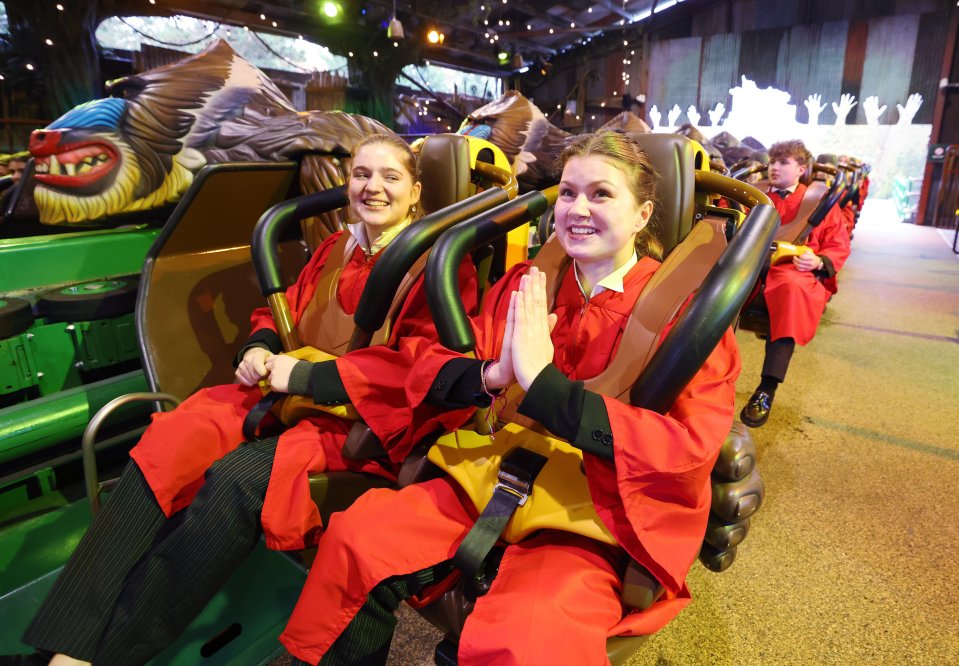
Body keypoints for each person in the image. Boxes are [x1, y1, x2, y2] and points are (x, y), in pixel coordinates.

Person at [5, 133, 478, 666]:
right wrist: (261, 345)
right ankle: (62, 646)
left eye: (390, 177)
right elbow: (282, 313)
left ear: (415, 192)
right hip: (286, 392)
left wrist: (307, 379)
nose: (373, 188)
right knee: (172, 438)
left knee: (238, 478)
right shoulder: (334, 249)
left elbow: (420, 367)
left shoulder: (436, 266)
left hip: (360, 420)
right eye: (361, 175)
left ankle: (105, 656)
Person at [278, 131, 741, 665]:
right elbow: (435, 361)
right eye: (567, 193)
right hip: (490, 475)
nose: (578, 209)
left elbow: (689, 447)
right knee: (356, 539)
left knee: (529, 637)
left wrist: (546, 389)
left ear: (642, 215)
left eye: (601, 194)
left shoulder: (686, 319)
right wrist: (491, 374)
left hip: (597, 509)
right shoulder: (528, 282)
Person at [740, 139, 850, 428]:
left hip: (791, 268)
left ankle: (767, 388)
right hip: (750, 263)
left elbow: (837, 243)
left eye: (783, 162)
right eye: (773, 162)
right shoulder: (756, 192)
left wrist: (818, 261)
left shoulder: (818, 199)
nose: (774, 167)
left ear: (801, 169)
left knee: (791, 292)